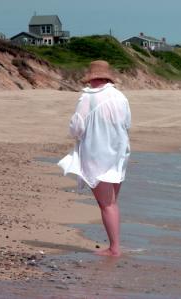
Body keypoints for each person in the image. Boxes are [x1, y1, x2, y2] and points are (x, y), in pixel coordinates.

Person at [58, 60, 131, 257]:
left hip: (99, 154)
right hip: (119, 153)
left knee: (107, 204)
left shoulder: (88, 98)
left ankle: (115, 248)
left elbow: (77, 128)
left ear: (91, 78)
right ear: (107, 77)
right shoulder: (120, 96)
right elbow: (127, 123)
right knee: (112, 202)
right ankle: (115, 246)